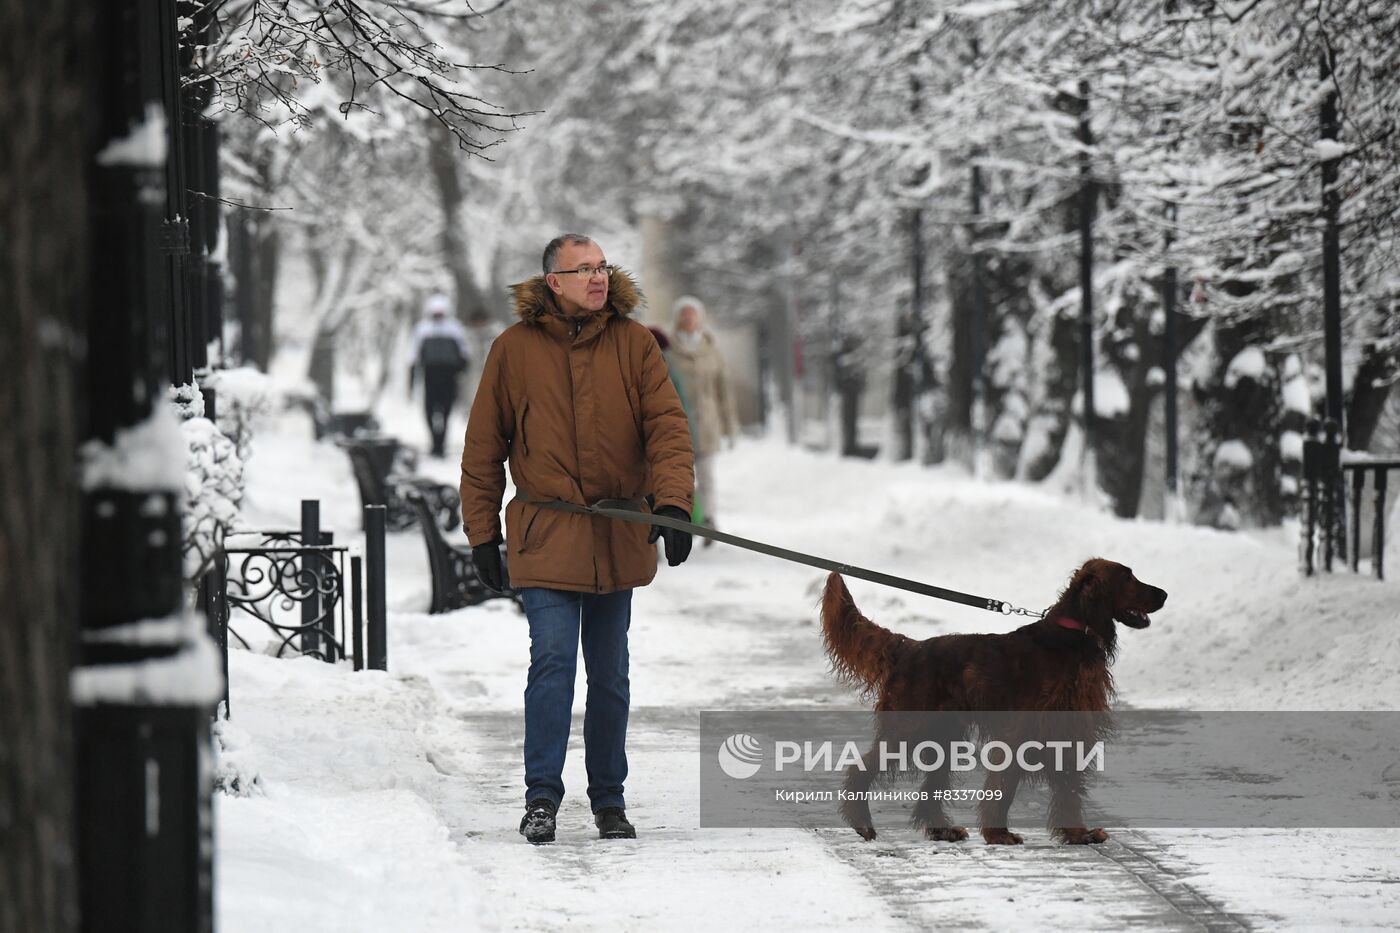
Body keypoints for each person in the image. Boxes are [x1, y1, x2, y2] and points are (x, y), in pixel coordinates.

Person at [459, 234, 695, 845]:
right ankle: (541, 797)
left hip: (619, 533)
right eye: (582, 269)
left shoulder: (635, 343)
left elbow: (667, 427)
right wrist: (482, 534)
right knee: (554, 662)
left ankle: (608, 800)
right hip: (546, 532)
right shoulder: (513, 350)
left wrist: (672, 503)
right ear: (552, 282)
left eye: (602, 266)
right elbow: (484, 447)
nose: (597, 278)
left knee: (610, 674)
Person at [666, 296, 739, 544]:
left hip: (707, 423)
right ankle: (685, 522)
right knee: (683, 478)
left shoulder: (712, 352)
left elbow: (724, 392)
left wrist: (730, 427)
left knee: (707, 476)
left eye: (692, 314)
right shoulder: (668, 352)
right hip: (678, 425)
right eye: (683, 314)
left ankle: (709, 520)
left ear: (700, 317)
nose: (688, 318)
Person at [409, 293, 471, 457]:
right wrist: (412, 377)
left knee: (445, 411)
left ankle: (440, 444)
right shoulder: (422, 329)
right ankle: (434, 441)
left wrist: (461, 372)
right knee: (429, 411)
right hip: (430, 376)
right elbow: (414, 355)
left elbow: (464, 354)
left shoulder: (455, 329)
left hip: (449, 377)